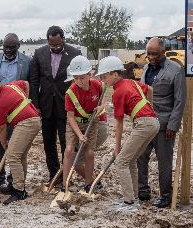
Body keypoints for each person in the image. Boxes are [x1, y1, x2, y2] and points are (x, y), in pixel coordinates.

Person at [95, 56, 159, 212]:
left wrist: (117, 148)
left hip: (144, 124)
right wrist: (150, 107)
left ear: (115, 74)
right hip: (153, 122)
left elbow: (119, 124)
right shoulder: (131, 83)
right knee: (131, 161)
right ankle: (134, 198)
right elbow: (150, 90)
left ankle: (129, 202)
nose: (103, 80)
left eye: (105, 76)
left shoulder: (118, 92)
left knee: (121, 161)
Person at [0, 72, 41, 205]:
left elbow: (1, 128)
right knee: (20, 155)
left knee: (12, 155)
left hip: (26, 123)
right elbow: (26, 84)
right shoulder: (12, 85)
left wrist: (4, 143)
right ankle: (17, 185)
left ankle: (19, 190)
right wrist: (25, 101)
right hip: (33, 119)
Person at [137, 38, 186, 208]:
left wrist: (173, 125)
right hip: (145, 122)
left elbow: (180, 101)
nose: (150, 57)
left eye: (154, 54)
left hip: (164, 125)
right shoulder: (145, 69)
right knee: (140, 157)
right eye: (148, 53)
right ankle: (143, 192)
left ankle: (166, 196)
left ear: (163, 53)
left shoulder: (176, 70)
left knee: (164, 162)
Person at [28, 26, 81, 181]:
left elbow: (77, 81)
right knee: (48, 143)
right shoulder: (39, 54)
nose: (55, 48)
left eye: (58, 45)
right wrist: (36, 104)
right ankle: (54, 174)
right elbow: (34, 80)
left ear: (63, 39)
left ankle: (66, 175)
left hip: (66, 106)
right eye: (52, 45)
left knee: (67, 143)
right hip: (45, 106)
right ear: (48, 41)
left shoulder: (74, 54)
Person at [0, 33, 31, 190]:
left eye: (11, 48)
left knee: (14, 147)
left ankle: (14, 180)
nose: (7, 51)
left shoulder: (27, 62)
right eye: (5, 47)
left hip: (16, 112)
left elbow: (29, 83)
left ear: (18, 47)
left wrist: (26, 102)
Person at [61, 56, 107, 192]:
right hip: (74, 123)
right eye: (75, 78)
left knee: (90, 153)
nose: (79, 81)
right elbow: (70, 117)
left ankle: (88, 185)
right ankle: (65, 186)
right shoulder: (70, 93)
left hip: (92, 122)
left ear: (89, 74)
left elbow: (104, 92)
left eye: (82, 77)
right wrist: (80, 135)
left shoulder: (97, 85)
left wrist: (102, 106)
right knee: (69, 150)